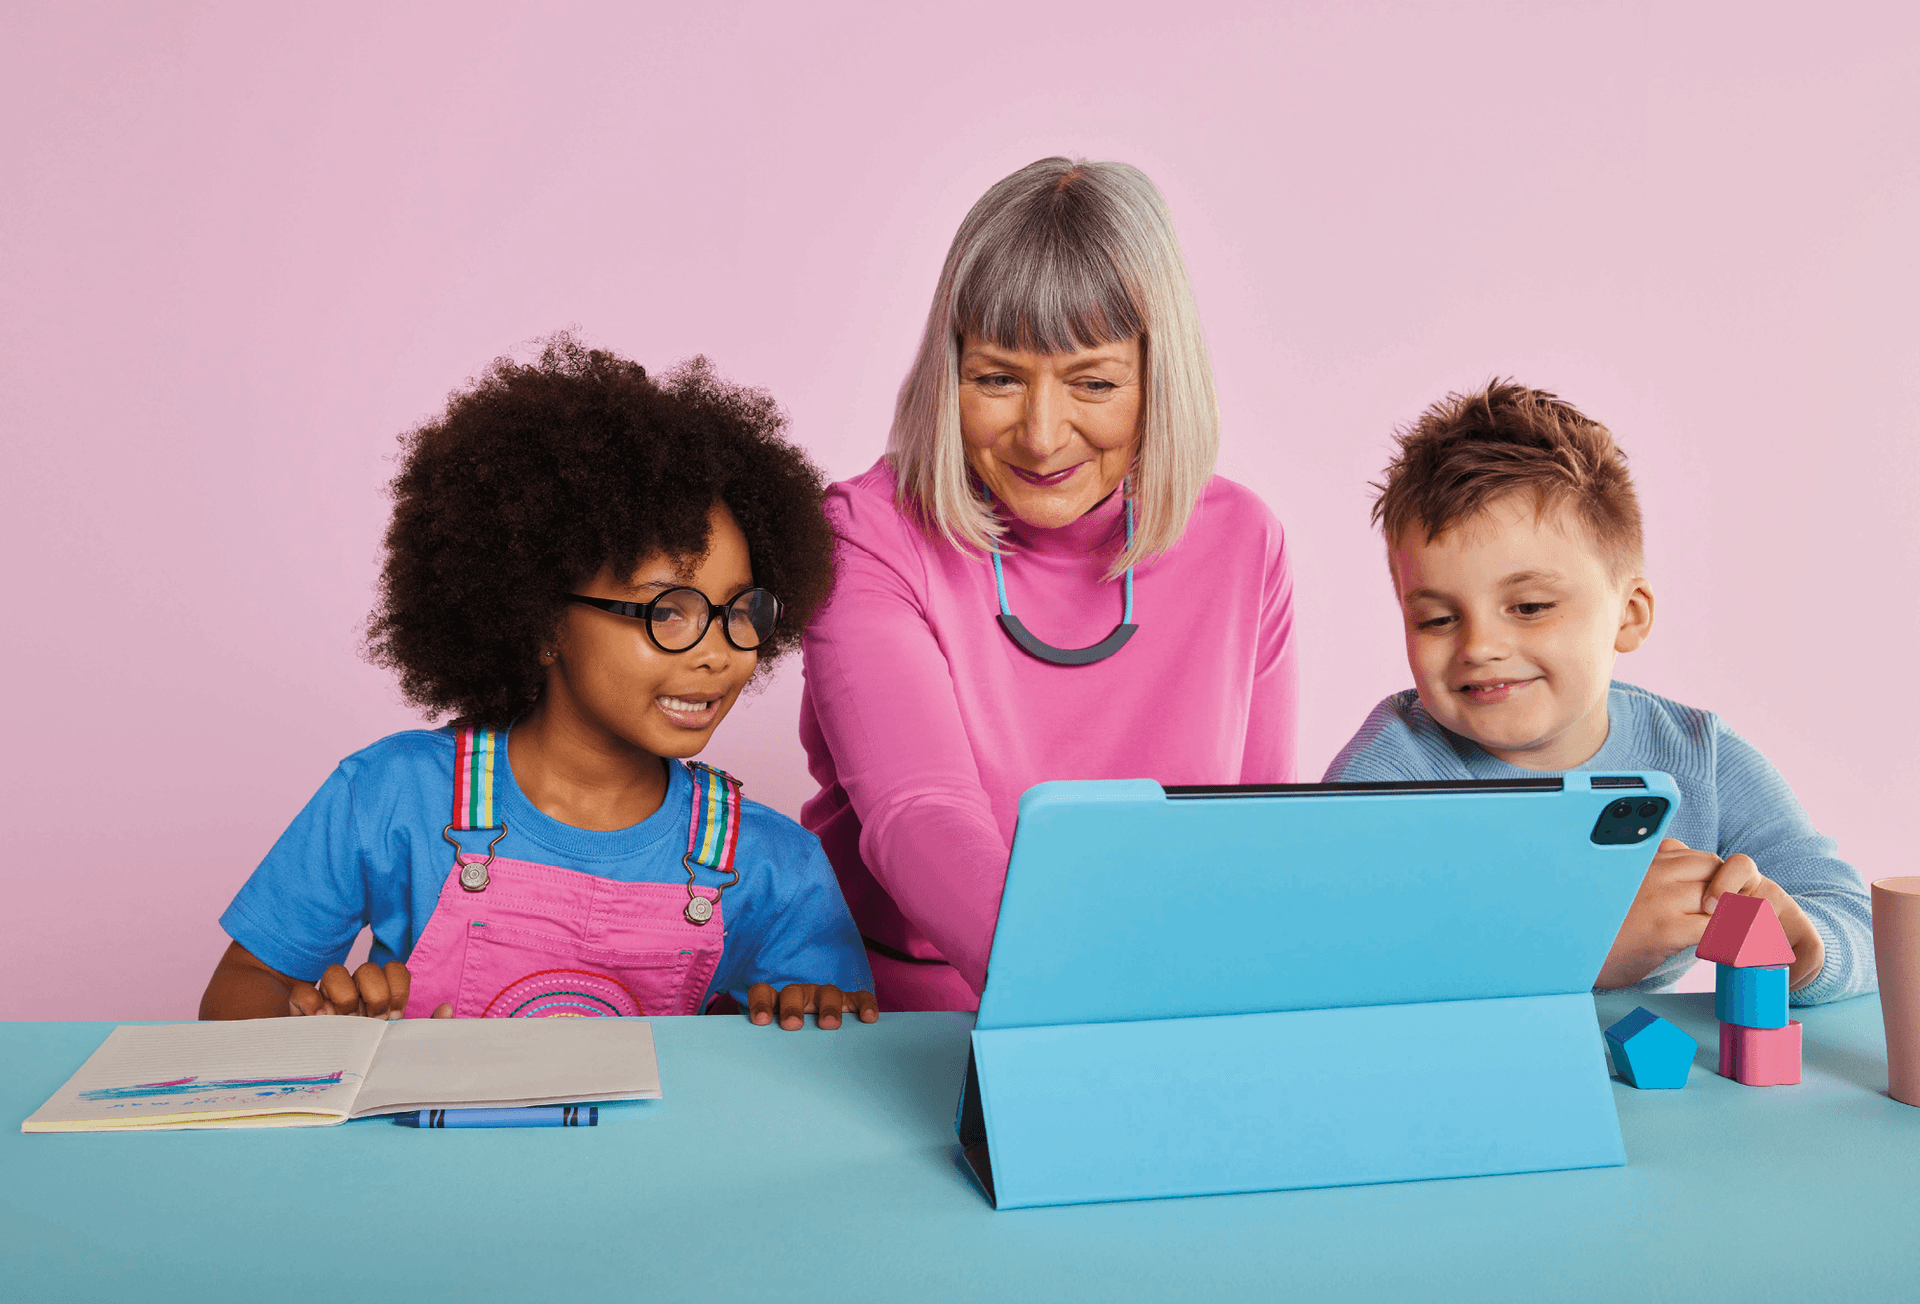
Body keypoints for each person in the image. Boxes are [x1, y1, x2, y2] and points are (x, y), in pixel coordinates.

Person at [200, 336, 877, 1030]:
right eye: (667, 612)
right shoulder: (390, 797)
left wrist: (807, 1020)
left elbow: (834, 1055)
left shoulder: (773, 865)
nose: (717, 653)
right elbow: (246, 986)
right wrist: (305, 1039)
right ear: (545, 623)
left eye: (740, 611)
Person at [799, 158, 1299, 1011]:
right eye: (997, 377)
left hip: (1161, 1002)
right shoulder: (867, 536)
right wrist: (1076, 998)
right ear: (949, 373)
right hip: (898, 1015)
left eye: (1093, 383)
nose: (1040, 433)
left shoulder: (1243, 541)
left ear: (1157, 378)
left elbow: (1249, 839)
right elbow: (918, 813)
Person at [1325, 381, 1872, 1002]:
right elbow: (1336, 961)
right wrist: (1590, 950)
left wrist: (1806, 951)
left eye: (1529, 606)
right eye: (1437, 619)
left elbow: (1857, 919)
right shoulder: (1389, 775)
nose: (1478, 646)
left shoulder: (1701, 758)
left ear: (1629, 615)